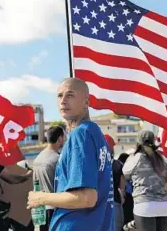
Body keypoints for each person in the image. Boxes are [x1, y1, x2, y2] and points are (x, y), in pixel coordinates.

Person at [27, 77, 115, 231]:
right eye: (60, 95)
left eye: (70, 95)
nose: (63, 100)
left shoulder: (81, 134)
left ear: (86, 103)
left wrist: (41, 198)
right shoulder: (95, 133)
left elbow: (87, 198)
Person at [122, 130, 167, 231]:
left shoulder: (135, 158)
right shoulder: (162, 157)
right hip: (164, 205)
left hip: (145, 206)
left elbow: (125, 174)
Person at [33, 125, 65, 231]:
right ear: (60, 138)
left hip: (40, 208)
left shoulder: (38, 158)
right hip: (54, 209)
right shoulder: (57, 159)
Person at [105, 134, 126, 231]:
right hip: (115, 201)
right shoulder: (118, 164)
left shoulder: (95, 164)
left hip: (98, 204)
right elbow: (122, 187)